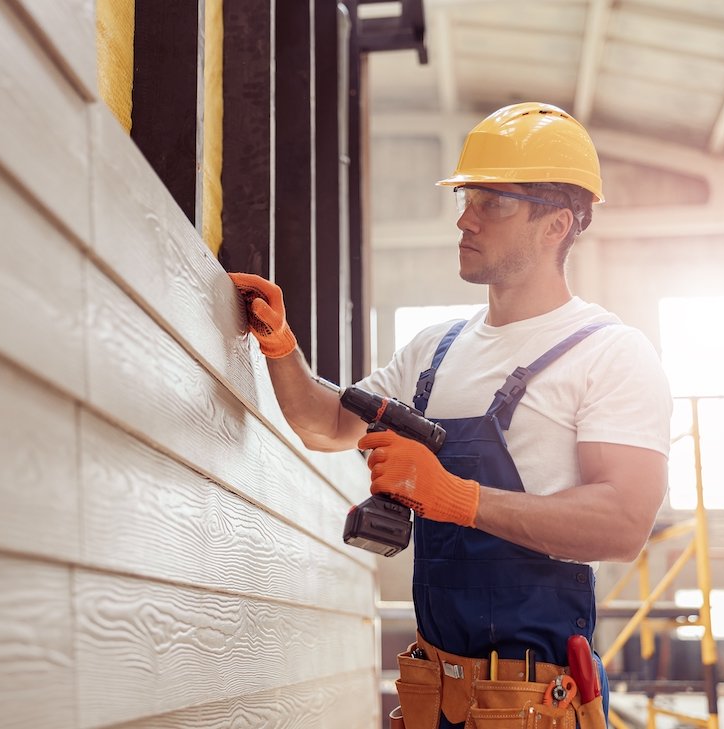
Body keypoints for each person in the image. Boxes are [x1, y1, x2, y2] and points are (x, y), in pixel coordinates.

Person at [229, 102, 671, 729]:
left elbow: (624, 524)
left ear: (556, 225)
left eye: (494, 202)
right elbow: (326, 424)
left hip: (532, 706)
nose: (465, 218)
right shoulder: (433, 351)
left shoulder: (610, 352)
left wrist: (454, 497)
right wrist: (280, 348)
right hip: (433, 697)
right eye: (467, 197)